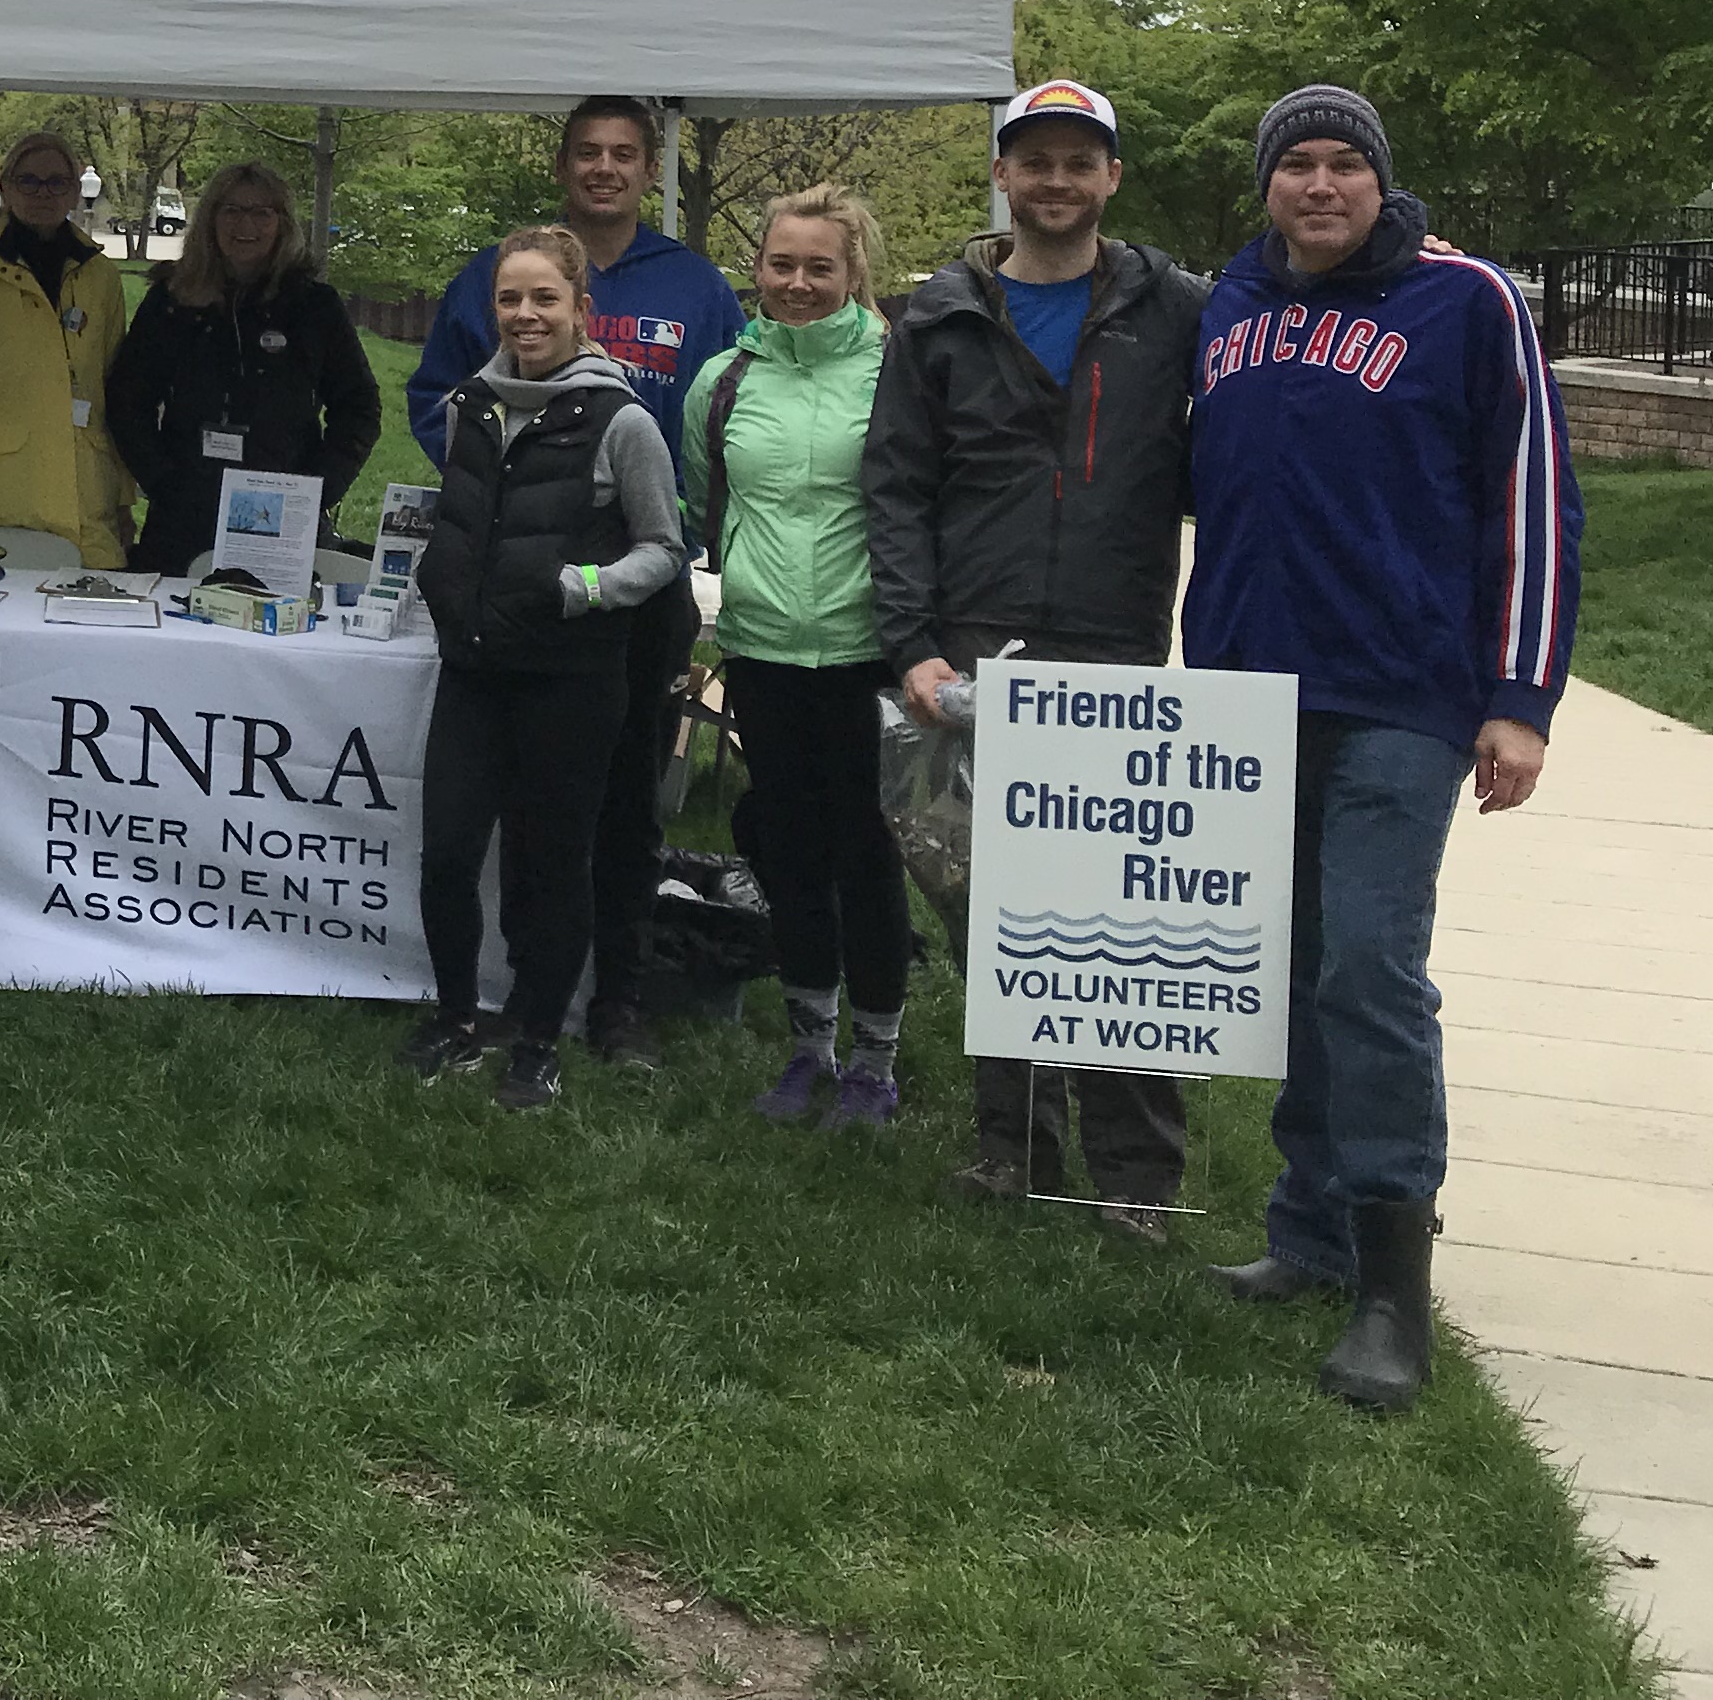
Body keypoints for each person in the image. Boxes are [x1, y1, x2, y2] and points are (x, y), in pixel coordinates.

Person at [1188, 86, 1579, 1414]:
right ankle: (1305, 1231)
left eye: (1341, 162)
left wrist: (1522, 695)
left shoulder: (1468, 302)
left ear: (1377, 180)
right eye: (1294, 162)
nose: (1318, 184)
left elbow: (1533, 495)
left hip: (1404, 696)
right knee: (1290, 967)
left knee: (1369, 964)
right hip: (1250, 691)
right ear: (1266, 185)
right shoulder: (1230, 306)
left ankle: (1392, 1286)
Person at [860, 78, 1209, 1235]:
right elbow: (898, 486)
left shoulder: (1178, 310)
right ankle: (1010, 1147)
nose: (1056, 181)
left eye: (1080, 162)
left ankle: (1138, 1179)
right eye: (1035, 160)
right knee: (996, 910)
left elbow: (1304, 307)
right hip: (974, 642)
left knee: (1122, 914)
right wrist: (911, 643)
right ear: (1003, 177)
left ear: (1111, 179)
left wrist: (1415, 256)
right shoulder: (942, 316)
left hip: (1112, 643)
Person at [405, 100, 744, 1072]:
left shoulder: (694, 284)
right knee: (519, 818)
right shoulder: (492, 274)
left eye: (625, 155)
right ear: (563, 166)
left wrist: (644, 526)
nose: (605, 169)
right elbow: (439, 399)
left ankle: (619, 1004)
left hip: (635, 579)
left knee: (626, 810)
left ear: (650, 169)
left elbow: (725, 415)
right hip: (516, 594)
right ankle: (507, 1004)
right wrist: (503, 489)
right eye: (588, 153)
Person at [400, 228, 687, 1112]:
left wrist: (581, 587)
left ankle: (535, 1040)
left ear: (580, 310)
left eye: (544, 299)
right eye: (510, 300)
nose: (526, 316)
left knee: (553, 863)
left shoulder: (621, 419)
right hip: (475, 669)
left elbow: (664, 550)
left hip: (571, 677)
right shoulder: (469, 405)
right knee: (448, 854)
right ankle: (455, 1018)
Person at [680, 184, 909, 1131]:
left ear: (855, 271)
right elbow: (707, 495)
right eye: (783, 264)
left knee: (868, 852)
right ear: (759, 267)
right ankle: (809, 1045)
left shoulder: (900, 370)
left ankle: (876, 1061)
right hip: (765, 650)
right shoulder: (724, 380)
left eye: (821, 266)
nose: (800, 283)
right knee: (792, 849)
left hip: (869, 651)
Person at [106, 159, 379, 573]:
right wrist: (163, 481)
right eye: (231, 210)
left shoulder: (313, 306)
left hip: (280, 512)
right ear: (210, 219)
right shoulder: (171, 301)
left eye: (260, 212)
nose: (244, 224)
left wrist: (315, 489)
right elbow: (128, 401)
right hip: (184, 515)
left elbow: (358, 407)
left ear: (282, 222)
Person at [0, 126, 134, 568]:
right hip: (1, 494)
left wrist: (123, 499)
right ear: (6, 188)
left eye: (57, 182)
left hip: (87, 496)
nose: (43, 193)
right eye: (29, 181)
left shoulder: (101, 276)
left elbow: (117, 389)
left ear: (76, 191)